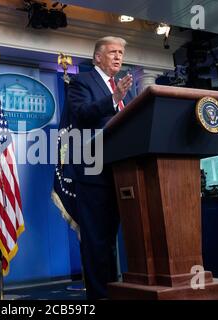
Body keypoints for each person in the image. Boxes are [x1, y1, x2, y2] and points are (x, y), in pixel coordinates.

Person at [65, 36, 133, 299]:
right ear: (97, 57)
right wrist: (114, 98)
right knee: (96, 242)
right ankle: (99, 297)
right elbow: (81, 114)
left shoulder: (124, 87)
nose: (118, 57)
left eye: (121, 53)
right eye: (113, 52)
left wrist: (121, 97)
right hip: (93, 173)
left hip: (122, 172)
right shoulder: (81, 82)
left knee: (112, 240)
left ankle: (114, 291)